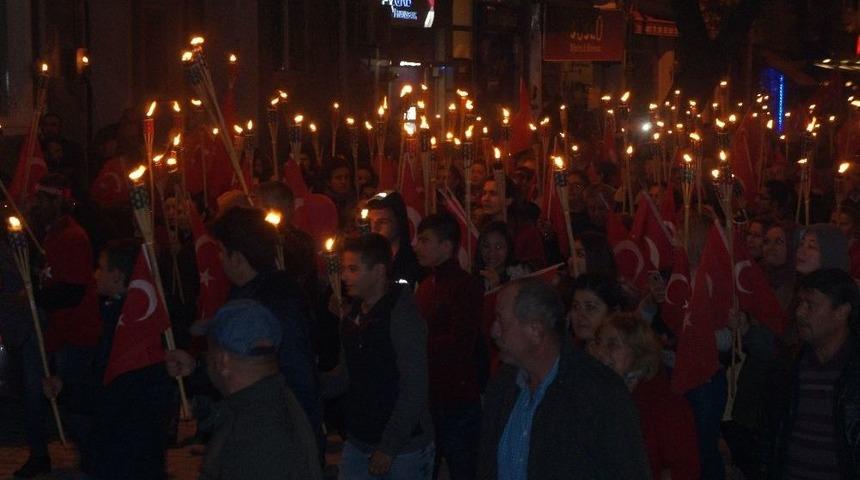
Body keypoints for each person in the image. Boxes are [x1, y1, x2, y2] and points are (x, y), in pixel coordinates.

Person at [479, 277, 650, 479]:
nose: (494, 331)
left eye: (501, 321)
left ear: (535, 330)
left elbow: (627, 471)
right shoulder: (502, 386)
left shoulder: (598, 392)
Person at [45, 238, 177, 479]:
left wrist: (72, 393)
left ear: (117, 276)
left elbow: (111, 390)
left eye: (101, 268)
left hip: (124, 449)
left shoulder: (129, 329)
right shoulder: (115, 317)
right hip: (127, 444)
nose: (95, 275)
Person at [324, 234, 435, 480]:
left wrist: (389, 445)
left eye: (353, 269)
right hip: (360, 438)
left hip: (403, 447)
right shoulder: (353, 316)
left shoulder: (401, 316)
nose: (344, 277)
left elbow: (414, 386)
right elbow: (346, 374)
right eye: (343, 269)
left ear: (378, 271)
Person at [15, 173, 102, 478]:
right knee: (36, 392)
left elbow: (72, 291)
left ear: (57, 202)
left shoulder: (73, 237)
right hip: (52, 331)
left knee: (73, 398)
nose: (36, 204)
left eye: (42, 199)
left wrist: (36, 295)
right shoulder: (48, 235)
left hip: (73, 332)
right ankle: (40, 454)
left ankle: (93, 456)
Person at [207, 206, 321, 435]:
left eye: (220, 250)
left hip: (275, 430)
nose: (217, 258)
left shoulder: (276, 303)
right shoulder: (245, 294)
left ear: (237, 258)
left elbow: (297, 375)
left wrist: (305, 438)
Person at [196, 300, 322, 480]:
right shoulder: (274, 401)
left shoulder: (251, 435)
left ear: (222, 361)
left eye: (208, 351)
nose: (207, 360)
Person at [763, 268, 860, 478]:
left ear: (842, 311)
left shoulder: (854, 370)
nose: (800, 312)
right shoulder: (788, 366)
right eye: (800, 303)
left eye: (811, 305)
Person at [414, 214, 484, 480]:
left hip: (457, 399)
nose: (417, 246)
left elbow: (460, 341)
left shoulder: (465, 286)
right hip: (431, 397)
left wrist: (420, 346)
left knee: (462, 468)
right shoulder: (426, 287)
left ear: (447, 246)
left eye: (425, 240)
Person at [592, 313, 700, 479]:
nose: (600, 352)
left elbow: (683, 470)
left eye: (612, 345)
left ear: (638, 352)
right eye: (598, 343)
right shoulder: (596, 396)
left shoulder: (664, 403)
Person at [366, 191, 423, 286]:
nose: (375, 228)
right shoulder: (367, 260)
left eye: (382, 222)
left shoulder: (415, 264)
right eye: (371, 222)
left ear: (399, 222)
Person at [567, 273, 625, 349]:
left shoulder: (625, 355)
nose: (580, 315)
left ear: (613, 312)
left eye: (590, 307)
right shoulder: (569, 352)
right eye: (576, 306)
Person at [474, 221, 530, 292]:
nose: (491, 253)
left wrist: (496, 288)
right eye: (486, 246)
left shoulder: (521, 276)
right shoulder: (473, 279)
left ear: (509, 249)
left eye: (498, 247)